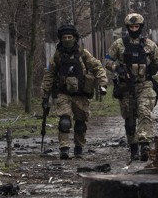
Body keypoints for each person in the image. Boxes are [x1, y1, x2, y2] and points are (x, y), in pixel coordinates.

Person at [106, 12, 158, 165]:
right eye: (131, 26)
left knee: (144, 112)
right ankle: (134, 148)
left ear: (141, 27)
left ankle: (144, 145)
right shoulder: (119, 44)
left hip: (145, 85)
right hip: (126, 87)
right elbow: (107, 60)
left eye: (137, 26)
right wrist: (117, 68)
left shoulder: (149, 45)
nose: (134, 29)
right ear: (127, 27)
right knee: (130, 119)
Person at [40, 24, 108, 160]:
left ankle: (79, 148)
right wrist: (45, 94)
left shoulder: (83, 53)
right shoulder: (57, 56)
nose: (67, 40)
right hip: (63, 94)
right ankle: (64, 148)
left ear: (75, 38)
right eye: (64, 37)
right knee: (64, 121)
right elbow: (49, 75)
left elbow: (97, 66)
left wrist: (102, 83)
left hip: (81, 94)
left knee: (80, 124)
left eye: (69, 37)